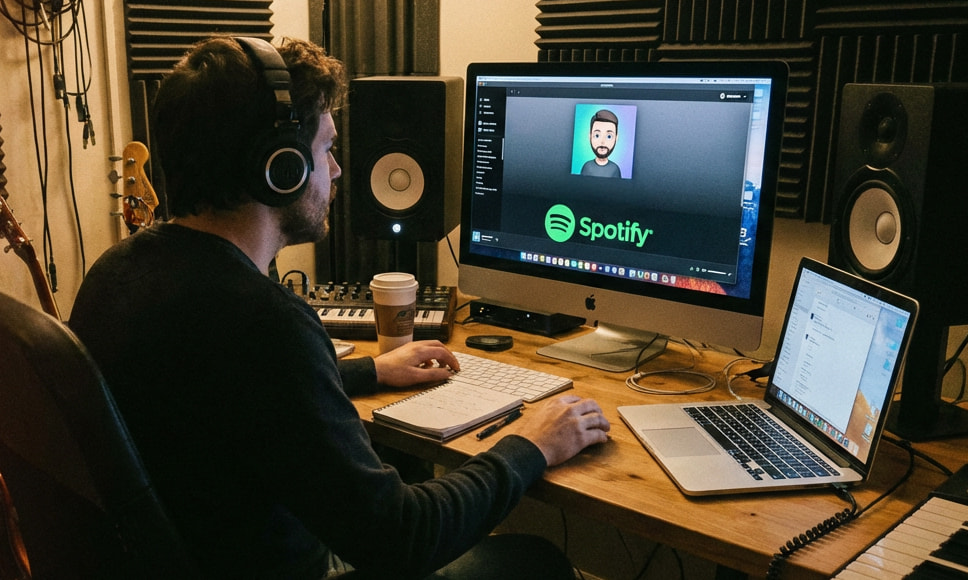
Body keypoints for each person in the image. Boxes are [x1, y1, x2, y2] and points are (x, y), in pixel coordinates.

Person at [69, 36, 611, 579]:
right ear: (279, 168)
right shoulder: (262, 322)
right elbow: (404, 537)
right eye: (325, 148)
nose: (336, 171)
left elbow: (229, 395)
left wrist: (368, 370)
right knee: (533, 561)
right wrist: (530, 445)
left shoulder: (115, 274)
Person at [579, 109, 622, 178]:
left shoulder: (615, 169)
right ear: (590, 136)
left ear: (616, 138)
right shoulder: (587, 166)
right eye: (597, 135)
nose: (602, 142)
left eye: (609, 136)